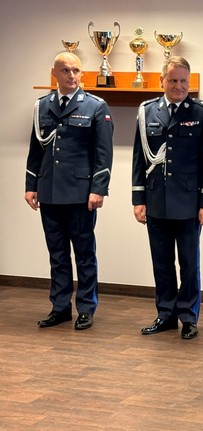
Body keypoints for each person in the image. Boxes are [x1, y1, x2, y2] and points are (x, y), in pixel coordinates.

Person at [25, 52, 114, 331]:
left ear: (82, 73)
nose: (71, 75)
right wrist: (31, 185)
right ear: (55, 73)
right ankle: (60, 307)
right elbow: (36, 148)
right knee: (57, 253)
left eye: (76, 70)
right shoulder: (42, 106)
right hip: (49, 190)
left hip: (80, 193)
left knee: (84, 253)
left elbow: (103, 153)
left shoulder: (95, 106)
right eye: (65, 70)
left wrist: (98, 189)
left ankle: (86, 308)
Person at [132, 56, 203, 340]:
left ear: (189, 82)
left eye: (183, 81)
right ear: (162, 81)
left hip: (188, 203)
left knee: (189, 264)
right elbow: (139, 158)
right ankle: (166, 315)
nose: (178, 86)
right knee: (161, 263)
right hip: (156, 199)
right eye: (173, 80)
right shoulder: (147, 111)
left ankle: (189, 317)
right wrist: (138, 199)